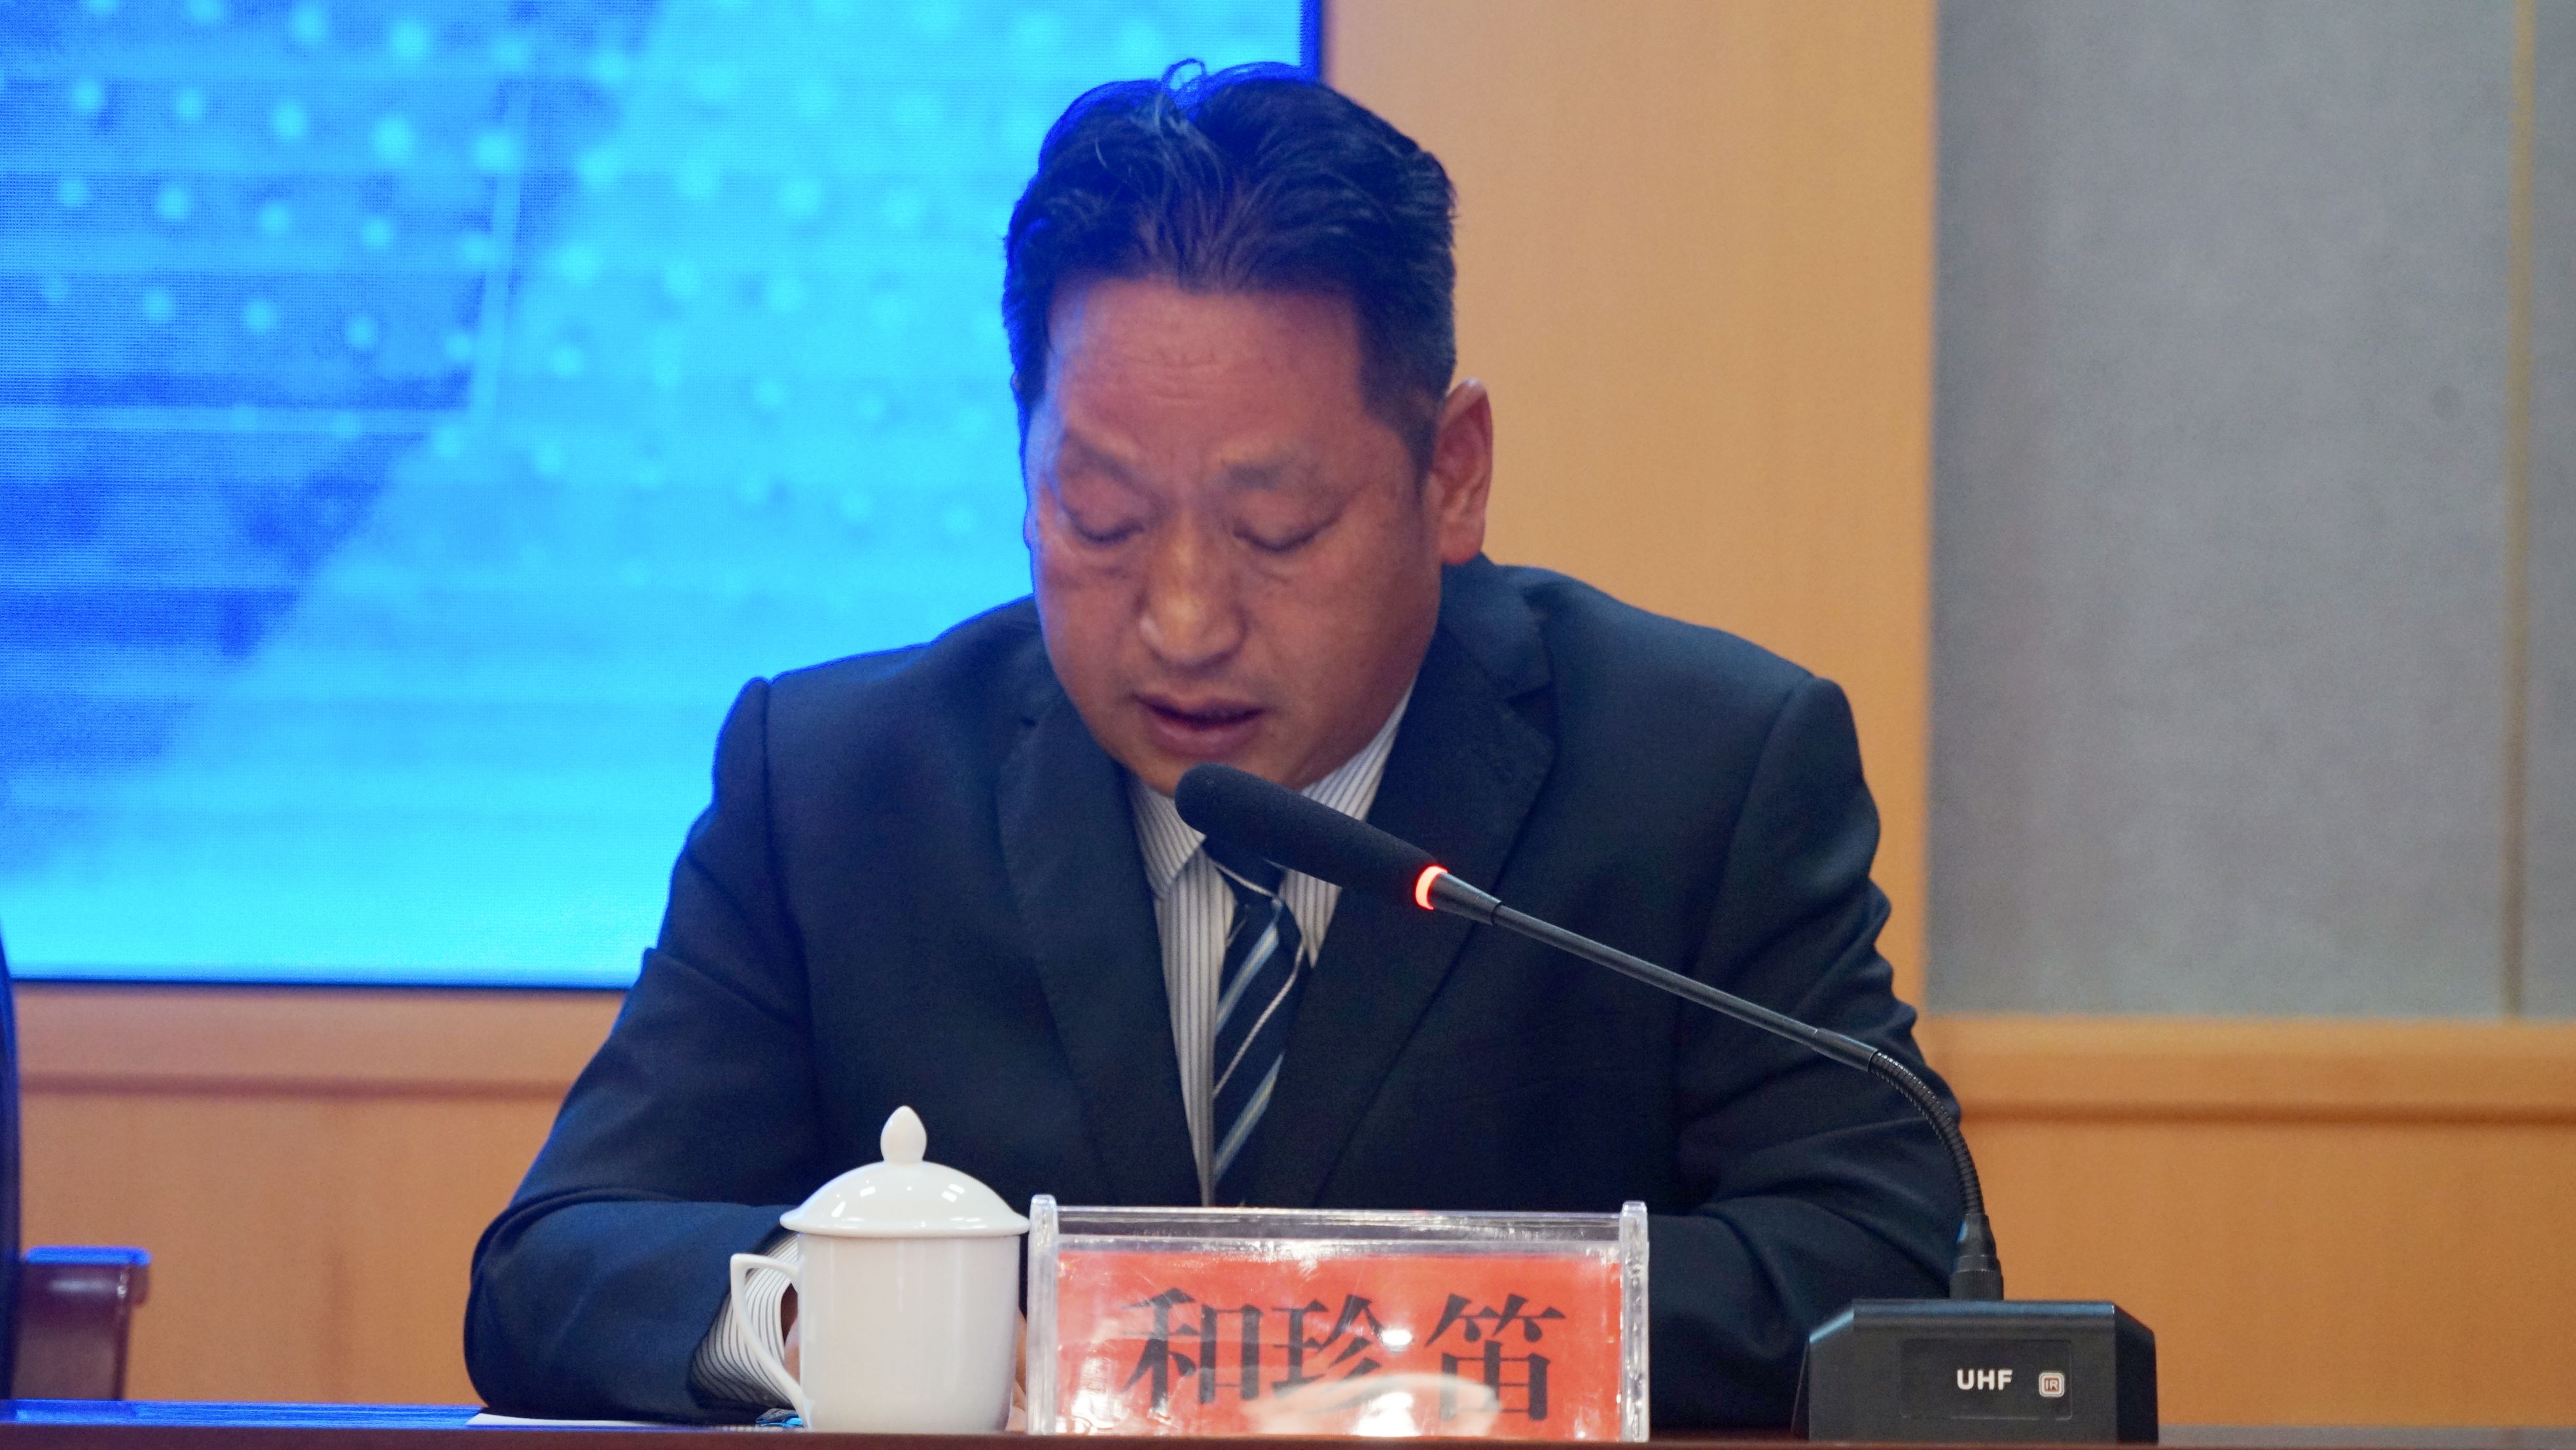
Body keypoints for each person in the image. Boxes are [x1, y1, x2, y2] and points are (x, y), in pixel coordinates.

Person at [465, 63, 1959, 1428]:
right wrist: (867, 1315)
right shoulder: (836, 788)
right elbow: (557, 1266)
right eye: (1102, 517)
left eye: (1277, 529)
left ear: (1452, 473)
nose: (1182, 621)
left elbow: (1882, 1263)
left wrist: (1321, 1339)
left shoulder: (1702, 770)